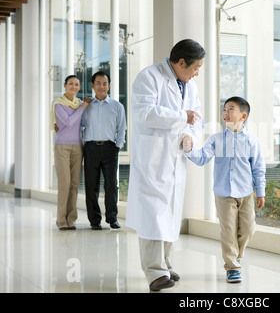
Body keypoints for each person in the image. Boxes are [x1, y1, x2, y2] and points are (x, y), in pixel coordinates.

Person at [126, 39, 205, 291]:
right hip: (152, 157)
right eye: (195, 67)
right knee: (153, 213)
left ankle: (166, 263)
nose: (197, 73)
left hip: (175, 157)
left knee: (170, 211)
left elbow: (197, 119)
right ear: (181, 62)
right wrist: (183, 117)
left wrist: (191, 136)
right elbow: (144, 112)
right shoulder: (149, 77)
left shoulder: (190, 86)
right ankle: (154, 271)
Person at [184, 96, 266, 283]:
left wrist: (260, 191)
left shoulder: (252, 141)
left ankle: (236, 255)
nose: (226, 113)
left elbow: (258, 168)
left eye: (231, 109)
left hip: (246, 193)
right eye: (224, 109)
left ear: (243, 116)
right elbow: (202, 158)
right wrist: (189, 149)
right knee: (228, 230)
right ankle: (232, 267)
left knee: (248, 229)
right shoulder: (216, 139)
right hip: (223, 193)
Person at [81, 71, 127, 230]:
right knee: (91, 185)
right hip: (91, 148)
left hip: (109, 148)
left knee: (111, 185)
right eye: (98, 83)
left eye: (105, 83)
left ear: (109, 86)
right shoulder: (86, 106)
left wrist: (118, 146)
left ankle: (112, 218)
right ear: (92, 86)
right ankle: (94, 220)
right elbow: (79, 125)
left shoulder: (117, 106)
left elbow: (122, 129)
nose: (102, 86)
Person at [50, 75, 91, 230]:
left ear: (79, 87)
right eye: (71, 84)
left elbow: (82, 123)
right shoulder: (59, 104)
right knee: (64, 184)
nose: (73, 86)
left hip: (77, 147)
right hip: (62, 147)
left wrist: (82, 109)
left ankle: (71, 220)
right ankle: (61, 220)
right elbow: (68, 121)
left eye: (76, 84)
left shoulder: (80, 104)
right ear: (65, 85)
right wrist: (81, 108)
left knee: (74, 185)